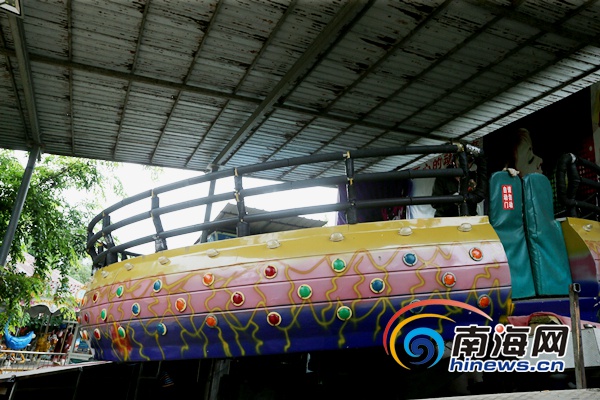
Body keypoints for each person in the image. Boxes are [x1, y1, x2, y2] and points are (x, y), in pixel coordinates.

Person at [431, 152, 480, 217]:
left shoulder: (473, 177)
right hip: (446, 218)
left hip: (468, 219)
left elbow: (480, 196)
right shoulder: (443, 176)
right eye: (461, 159)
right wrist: (452, 199)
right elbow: (435, 203)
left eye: (469, 160)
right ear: (455, 159)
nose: (465, 163)